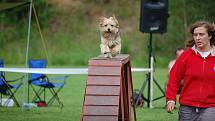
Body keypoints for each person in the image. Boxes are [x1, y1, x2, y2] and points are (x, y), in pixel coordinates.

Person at [165, 21, 215, 121]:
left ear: (209, 36)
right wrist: (170, 99)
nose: (197, 38)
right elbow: (174, 78)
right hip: (187, 108)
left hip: (211, 107)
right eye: (195, 35)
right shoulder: (185, 56)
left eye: (201, 34)